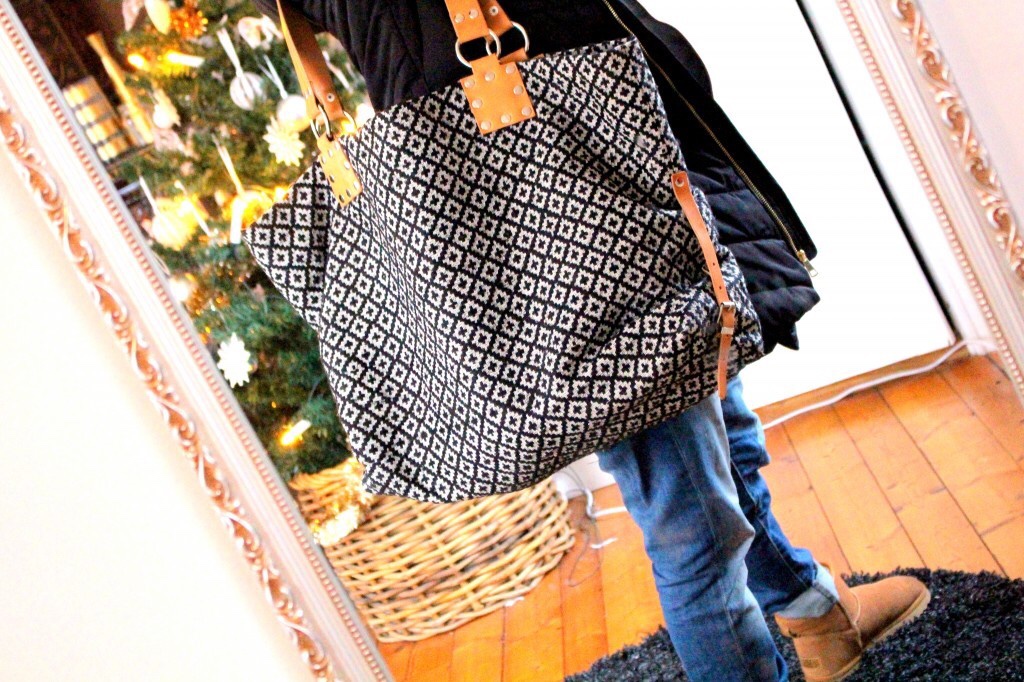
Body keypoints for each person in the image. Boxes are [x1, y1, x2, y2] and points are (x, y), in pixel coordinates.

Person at [256, 1, 931, 679]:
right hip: (534, 176)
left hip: (566, 134)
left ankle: (817, 614)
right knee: (693, 522)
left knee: (717, 424)